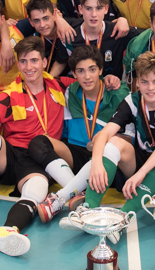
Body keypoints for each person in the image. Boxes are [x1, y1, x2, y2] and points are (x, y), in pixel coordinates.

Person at [0, 38, 88, 256]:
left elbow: (87, 80)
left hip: (47, 155)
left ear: (44, 62)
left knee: (38, 187)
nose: (29, 67)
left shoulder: (59, 85)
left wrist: (110, 80)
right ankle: (9, 228)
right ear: (18, 64)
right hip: (19, 155)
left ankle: (7, 230)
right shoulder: (11, 93)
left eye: (34, 60)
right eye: (23, 61)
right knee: (36, 188)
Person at [80, 52, 155, 217]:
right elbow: (104, 134)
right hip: (137, 167)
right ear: (137, 83)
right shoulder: (132, 100)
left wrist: (142, 172)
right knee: (114, 142)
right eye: (144, 82)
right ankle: (88, 208)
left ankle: (124, 216)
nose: (150, 88)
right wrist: (96, 163)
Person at [41, 46, 132, 222]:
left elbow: (130, 137)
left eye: (92, 70)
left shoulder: (119, 93)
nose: (87, 76)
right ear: (74, 74)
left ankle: (62, 196)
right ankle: (78, 191)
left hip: (108, 162)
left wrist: (104, 142)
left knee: (110, 146)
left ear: (101, 70)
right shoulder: (71, 91)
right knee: (40, 142)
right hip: (78, 154)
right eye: (81, 71)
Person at [69, 0, 139, 84]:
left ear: (106, 9)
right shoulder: (71, 37)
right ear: (80, 9)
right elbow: (61, 63)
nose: (93, 14)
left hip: (113, 89)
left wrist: (123, 19)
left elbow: (149, 36)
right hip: (84, 89)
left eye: (98, 8)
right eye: (88, 8)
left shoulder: (118, 30)